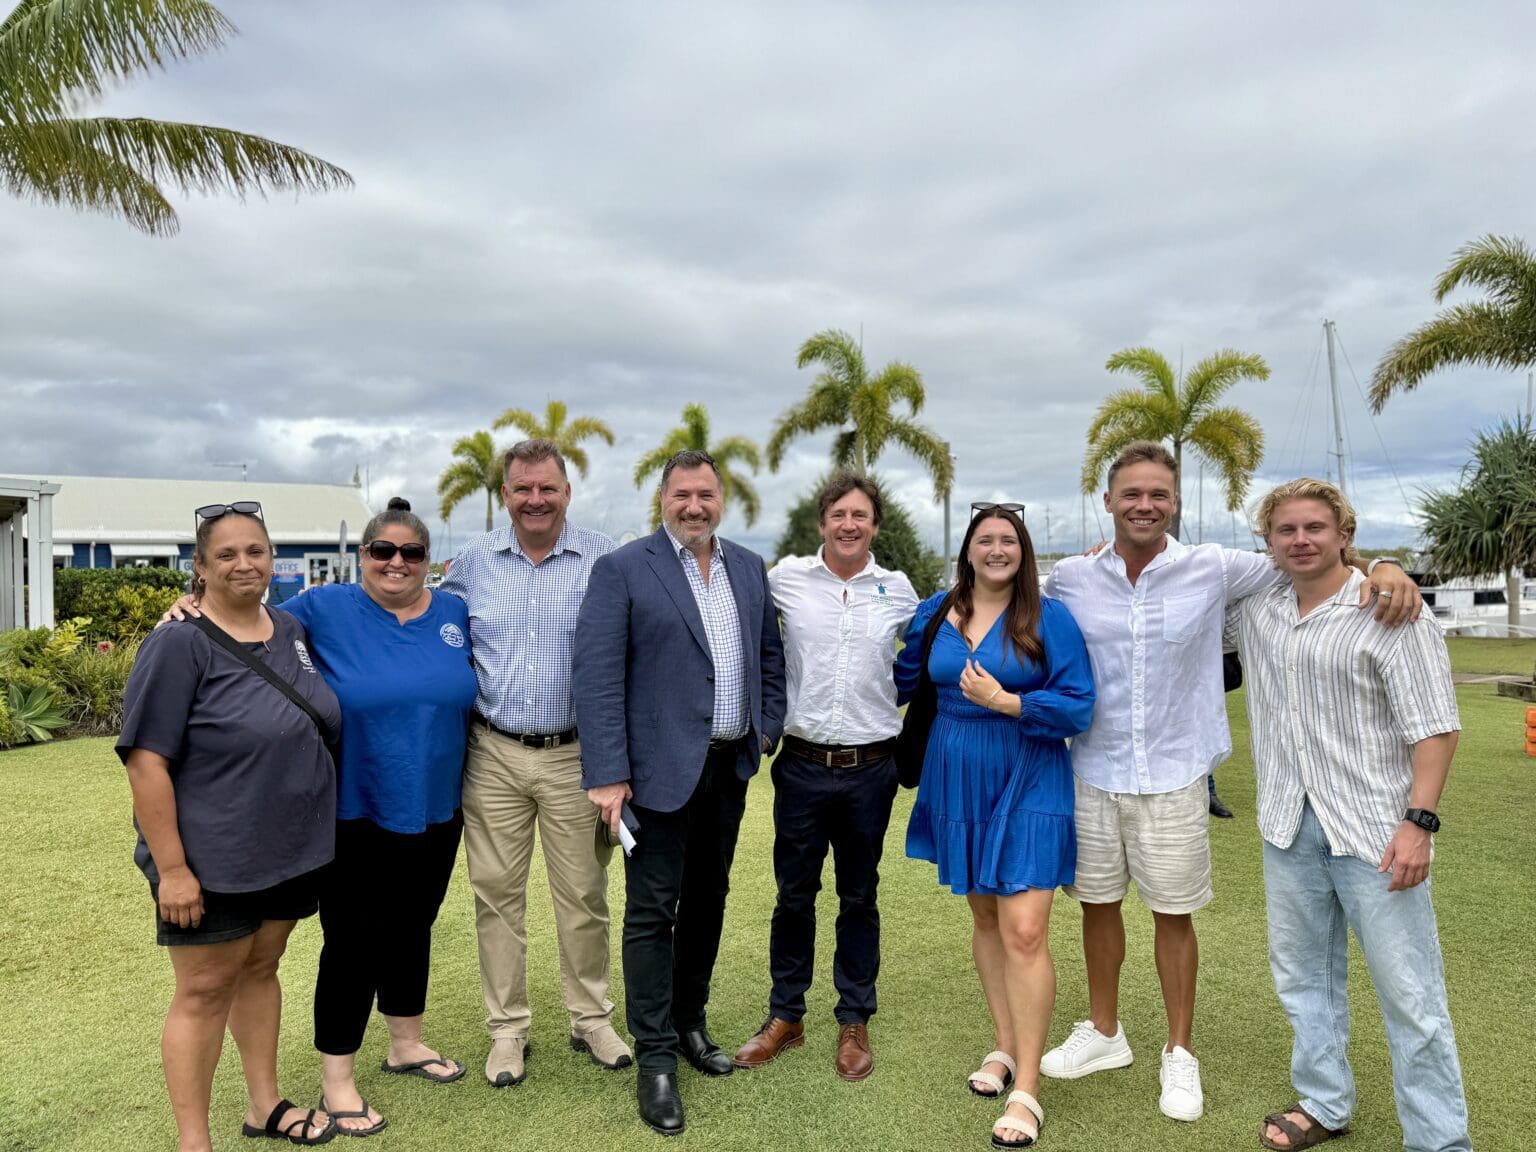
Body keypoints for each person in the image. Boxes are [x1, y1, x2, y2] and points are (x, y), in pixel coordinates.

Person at [1039, 441, 1423, 1124]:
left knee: (1172, 912)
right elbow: (998, 587)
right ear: (1108, 501)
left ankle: (1178, 1052)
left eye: (1158, 493)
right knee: (1096, 902)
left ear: (1176, 501)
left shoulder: (1217, 568)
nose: (1145, 505)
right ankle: (1104, 1033)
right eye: (1132, 493)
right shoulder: (1071, 577)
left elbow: (1309, 558)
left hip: (1176, 771)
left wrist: (1386, 565)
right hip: (1090, 767)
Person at [1227, 479, 1469, 1152]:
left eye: (1314, 528)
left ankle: (1439, 1139)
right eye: (1286, 530)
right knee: (1304, 978)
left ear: (1344, 535)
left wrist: (1419, 823)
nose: (1300, 540)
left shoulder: (1390, 611)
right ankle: (1325, 1101)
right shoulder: (1256, 610)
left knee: (1410, 995)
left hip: (1376, 830)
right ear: (1269, 540)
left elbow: (1436, 728)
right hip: (1287, 821)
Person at [573, 449, 786, 1136]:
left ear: (722, 500)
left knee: (709, 900)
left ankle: (691, 1024)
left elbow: (769, 657)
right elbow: (598, 678)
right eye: (681, 495)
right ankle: (656, 1058)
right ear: (662, 500)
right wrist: (607, 773)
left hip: (728, 769)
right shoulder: (624, 570)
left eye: (705, 495)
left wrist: (767, 728)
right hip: (655, 775)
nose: (694, 506)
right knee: (650, 912)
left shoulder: (749, 569)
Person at [120, 502, 341, 1151]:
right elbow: (145, 762)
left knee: (262, 967)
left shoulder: (289, 628)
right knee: (205, 988)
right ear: (200, 567)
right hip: (211, 857)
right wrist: (174, 870)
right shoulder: (179, 641)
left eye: (256, 551)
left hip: (289, 850)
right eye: (227, 554)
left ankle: (264, 1105)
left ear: (272, 558)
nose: (244, 564)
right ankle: (195, 1141)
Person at [896, 503, 1096, 1150]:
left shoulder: (1048, 616)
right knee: (985, 918)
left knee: (1027, 929)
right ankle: (1005, 1045)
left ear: (1024, 550)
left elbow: (1079, 703)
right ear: (968, 550)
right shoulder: (936, 610)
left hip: (1030, 771)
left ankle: (1028, 1088)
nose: (997, 549)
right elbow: (907, 674)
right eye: (985, 539)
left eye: (1008, 540)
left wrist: (1009, 701)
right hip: (956, 774)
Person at [283, 498, 478, 1134]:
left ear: (428, 560)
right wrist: (189, 607)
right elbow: (245, 630)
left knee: (413, 924)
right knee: (352, 940)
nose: (397, 562)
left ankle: (405, 1042)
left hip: (435, 805)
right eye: (383, 551)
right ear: (363, 556)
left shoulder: (453, 611)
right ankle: (337, 1077)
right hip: (355, 808)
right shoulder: (322, 607)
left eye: (411, 552)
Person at [440, 439, 631, 1085]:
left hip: (577, 755)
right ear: (505, 496)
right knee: (496, 897)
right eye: (522, 489)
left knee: (582, 894)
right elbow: (413, 615)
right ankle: (508, 1030)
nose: (535, 500)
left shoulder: (604, 559)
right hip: (493, 753)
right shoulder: (471, 563)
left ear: (566, 493)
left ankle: (591, 1018)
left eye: (546, 488)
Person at [732, 473, 919, 1081]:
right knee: (793, 895)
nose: (848, 524)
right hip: (803, 766)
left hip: (872, 769)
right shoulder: (785, 579)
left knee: (859, 896)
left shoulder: (899, 589)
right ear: (822, 523)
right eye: (838, 514)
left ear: (874, 525)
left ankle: (853, 1018)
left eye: (860, 515)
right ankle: (786, 1015)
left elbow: (931, 647)